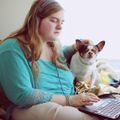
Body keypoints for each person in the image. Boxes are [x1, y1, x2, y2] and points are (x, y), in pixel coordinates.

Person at [0, 0, 101, 120]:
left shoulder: (54, 44)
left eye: (62, 22)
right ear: (36, 19)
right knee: (51, 111)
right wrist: (70, 100)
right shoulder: (11, 48)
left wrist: (75, 47)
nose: (60, 27)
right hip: (29, 107)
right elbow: (23, 95)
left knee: (102, 108)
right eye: (54, 20)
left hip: (70, 103)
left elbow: (61, 55)